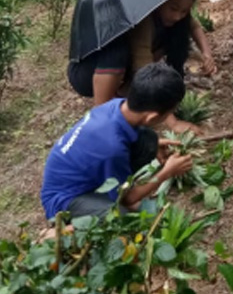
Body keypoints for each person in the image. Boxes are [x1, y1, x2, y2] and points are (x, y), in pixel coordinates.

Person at [41, 61, 195, 224]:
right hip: (64, 200)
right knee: (120, 218)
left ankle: (109, 194)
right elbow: (127, 199)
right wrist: (167, 172)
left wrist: (155, 144)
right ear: (152, 117)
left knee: (148, 140)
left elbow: (125, 138)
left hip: (82, 172)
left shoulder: (117, 105)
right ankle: (65, 228)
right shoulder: (112, 148)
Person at [66, 0, 213, 132]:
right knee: (117, 51)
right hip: (86, 73)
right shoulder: (143, 20)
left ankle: (122, 95)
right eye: (173, 8)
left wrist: (207, 54)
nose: (177, 16)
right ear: (161, 0)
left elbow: (193, 26)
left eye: (184, 11)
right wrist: (172, 123)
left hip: (122, 70)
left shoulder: (173, 17)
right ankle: (101, 119)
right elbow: (144, 69)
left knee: (175, 35)